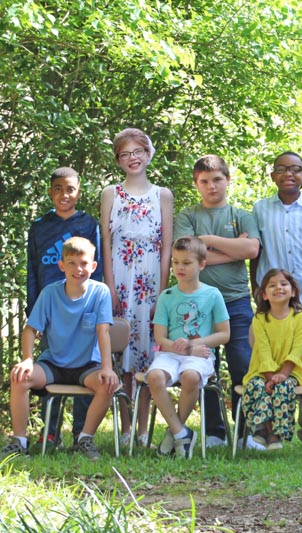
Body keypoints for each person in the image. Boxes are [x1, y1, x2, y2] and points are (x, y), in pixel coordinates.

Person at [1, 237, 117, 460]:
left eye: (83, 263)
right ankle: (20, 441)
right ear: (62, 265)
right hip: (53, 363)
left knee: (108, 384)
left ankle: (85, 438)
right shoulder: (49, 293)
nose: (78, 269)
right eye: (71, 263)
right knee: (19, 377)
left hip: (87, 365)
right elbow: (30, 330)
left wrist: (107, 367)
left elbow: (103, 331)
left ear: (93, 267)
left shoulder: (100, 292)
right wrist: (27, 359)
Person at [174, 155, 260, 449]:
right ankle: (215, 431)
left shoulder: (242, 215)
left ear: (228, 180)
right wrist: (232, 249)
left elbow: (251, 249)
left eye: (217, 180)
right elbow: (187, 257)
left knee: (242, 365)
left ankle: (245, 432)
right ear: (196, 184)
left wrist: (207, 240)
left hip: (236, 302)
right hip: (199, 305)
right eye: (204, 181)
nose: (211, 186)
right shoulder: (187, 216)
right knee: (204, 366)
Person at [251, 151, 302, 447]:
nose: (289, 174)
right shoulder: (259, 209)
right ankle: (265, 428)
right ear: (273, 176)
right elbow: (255, 254)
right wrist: (255, 289)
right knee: (267, 360)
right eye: (282, 169)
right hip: (271, 301)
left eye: (296, 169)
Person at [101, 128, 174, 447]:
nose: (132, 158)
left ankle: (144, 431)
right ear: (118, 160)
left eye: (137, 152)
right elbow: (105, 242)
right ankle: (126, 428)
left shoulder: (163, 194)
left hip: (150, 282)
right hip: (119, 278)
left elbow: (168, 245)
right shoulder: (110, 193)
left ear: (148, 153)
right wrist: (109, 287)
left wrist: (163, 291)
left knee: (146, 354)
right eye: (124, 154)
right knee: (123, 355)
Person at [27, 167, 102, 448]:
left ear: (78, 192)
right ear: (50, 192)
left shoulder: (87, 224)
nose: (64, 195)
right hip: (50, 312)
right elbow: (32, 270)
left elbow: (99, 269)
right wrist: (32, 310)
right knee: (51, 367)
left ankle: (80, 435)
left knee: (86, 367)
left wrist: (96, 308)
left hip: (84, 310)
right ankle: (50, 434)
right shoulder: (40, 226)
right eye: (58, 189)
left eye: (70, 189)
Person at [147, 237, 230, 459]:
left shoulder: (212, 294)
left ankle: (174, 432)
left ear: (201, 264)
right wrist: (180, 349)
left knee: (191, 377)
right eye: (176, 263)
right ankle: (181, 432)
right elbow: (159, 337)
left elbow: (225, 334)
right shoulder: (167, 296)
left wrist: (193, 344)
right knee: (154, 377)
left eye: (186, 263)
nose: (180, 268)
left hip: (199, 354)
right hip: (170, 353)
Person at [242, 269, 302, 450]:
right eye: (272, 285)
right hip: (262, 370)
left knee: (283, 387)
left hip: (292, 371)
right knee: (256, 386)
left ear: (293, 291)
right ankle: (265, 428)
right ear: (264, 295)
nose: (278, 288)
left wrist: (282, 374)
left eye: (283, 284)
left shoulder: (300, 317)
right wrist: (269, 376)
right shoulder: (259, 319)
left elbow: (297, 350)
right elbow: (263, 350)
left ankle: (276, 433)